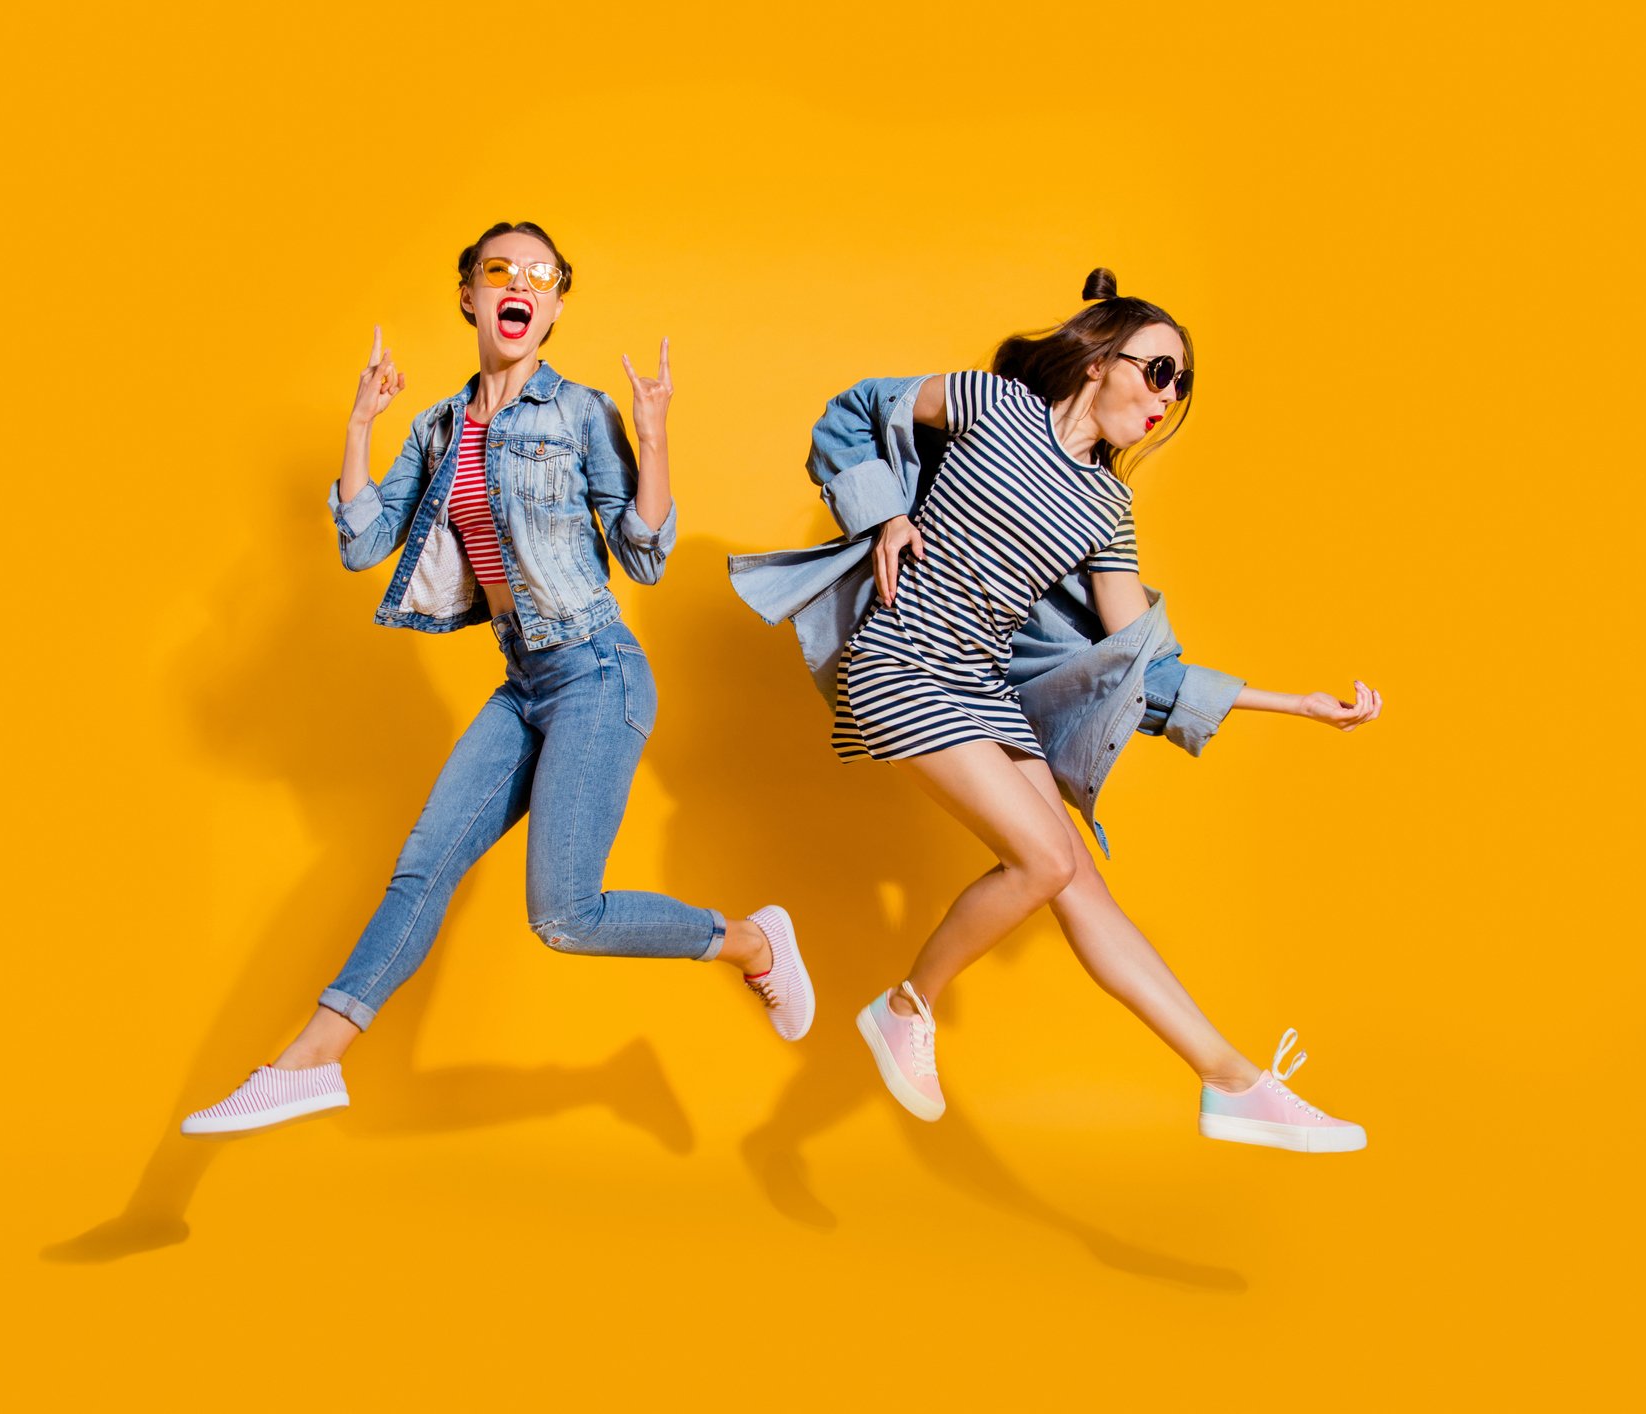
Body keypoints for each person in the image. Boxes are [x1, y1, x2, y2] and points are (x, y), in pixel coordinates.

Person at [183, 221, 813, 1136]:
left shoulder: (582, 413)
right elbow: (363, 543)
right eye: (498, 270)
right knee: (419, 870)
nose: (519, 283)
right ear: (471, 297)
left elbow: (642, 556)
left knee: (563, 916)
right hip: (523, 684)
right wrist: (360, 424)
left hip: (597, 673)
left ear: (554, 304)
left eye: (541, 274)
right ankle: (306, 1064)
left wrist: (653, 436)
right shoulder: (439, 427)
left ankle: (751, 939)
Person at [729, 267, 1377, 1153]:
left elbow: (1140, 665)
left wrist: (1295, 705)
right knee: (1038, 860)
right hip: (901, 662)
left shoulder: (1109, 506)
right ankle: (906, 1005)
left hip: (982, 691)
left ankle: (1235, 1084)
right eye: (1158, 371)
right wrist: (882, 517)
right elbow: (852, 410)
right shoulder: (987, 403)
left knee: (1081, 890)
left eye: (1182, 386)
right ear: (1099, 361)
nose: (1168, 398)